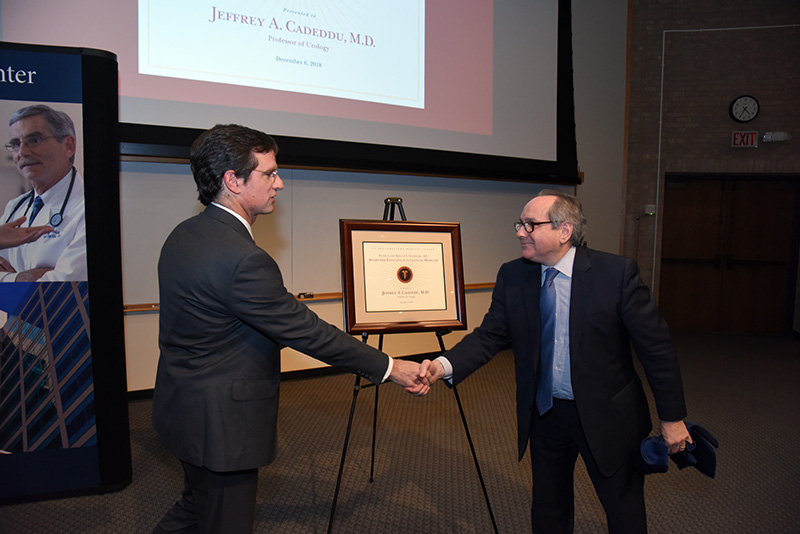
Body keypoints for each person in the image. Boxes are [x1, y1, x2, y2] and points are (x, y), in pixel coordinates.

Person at [152, 124, 428, 534]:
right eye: (269, 173)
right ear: (233, 180)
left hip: (184, 407)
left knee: (195, 507)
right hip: (222, 424)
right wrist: (390, 367)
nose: (279, 183)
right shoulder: (244, 259)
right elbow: (307, 332)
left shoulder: (184, 234)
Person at [420, 189, 691, 533]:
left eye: (530, 224)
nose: (520, 232)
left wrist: (672, 418)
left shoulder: (616, 274)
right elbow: (490, 335)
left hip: (608, 416)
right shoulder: (513, 276)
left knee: (623, 508)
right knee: (549, 509)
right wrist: (442, 365)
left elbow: (657, 349)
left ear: (564, 231)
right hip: (546, 414)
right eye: (520, 224)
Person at [0, 104, 86, 282]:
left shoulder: (90, 207)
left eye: (35, 140)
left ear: (68, 146)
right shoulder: (15, 207)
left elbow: (61, 285)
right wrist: (21, 278)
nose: (22, 152)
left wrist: (7, 279)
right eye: (16, 144)